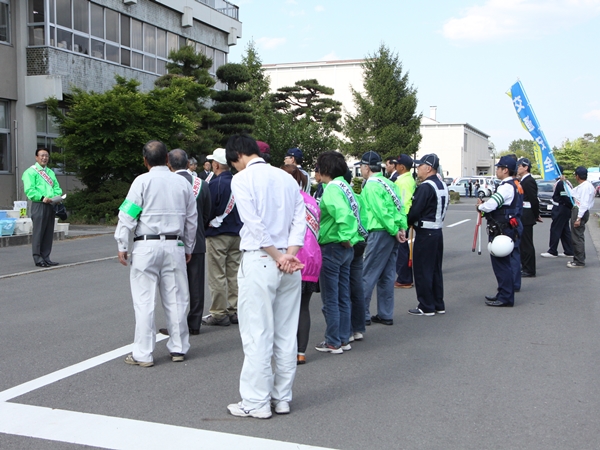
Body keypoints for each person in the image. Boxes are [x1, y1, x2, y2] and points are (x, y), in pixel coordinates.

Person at [225, 134, 305, 419]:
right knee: (285, 333)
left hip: (262, 259)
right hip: (289, 261)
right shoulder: (287, 178)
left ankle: (256, 402)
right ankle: (281, 398)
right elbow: (300, 221)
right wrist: (289, 254)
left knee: (257, 333)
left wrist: (277, 256)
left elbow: (254, 225)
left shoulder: (243, 179)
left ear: (237, 156)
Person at [115, 141, 197, 366]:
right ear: (168, 160)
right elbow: (191, 219)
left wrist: (122, 243)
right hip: (175, 245)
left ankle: (143, 354)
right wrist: (188, 246)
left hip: (145, 246)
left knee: (144, 301)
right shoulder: (182, 183)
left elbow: (128, 214)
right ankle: (178, 348)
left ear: (145, 160)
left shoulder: (141, 181)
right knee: (177, 299)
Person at [315, 150, 363, 353]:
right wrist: (350, 238)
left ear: (325, 169)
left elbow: (343, 215)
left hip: (334, 245)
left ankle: (333, 341)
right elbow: (359, 210)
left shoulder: (332, 189)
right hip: (347, 248)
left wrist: (345, 236)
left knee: (331, 298)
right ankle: (344, 338)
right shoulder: (346, 187)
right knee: (343, 295)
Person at [160, 149, 211, 336]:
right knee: (196, 284)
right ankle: (194, 323)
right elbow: (207, 213)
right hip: (196, 239)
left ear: (169, 164)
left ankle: (177, 324)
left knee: (175, 285)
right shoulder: (202, 185)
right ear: (188, 163)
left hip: (172, 239)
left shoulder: (167, 183)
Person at [281, 164, 322, 365]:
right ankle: (301, 352)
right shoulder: (313, 201)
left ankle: (284, 351)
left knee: (285, 307)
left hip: (292, 257)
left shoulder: (284, 200)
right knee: (303, 307)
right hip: (313, 259)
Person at [361, 151, 407, 326]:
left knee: (368, 273)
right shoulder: (389, 183)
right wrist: (400, 227)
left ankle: (362, 313)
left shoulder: (371, 186)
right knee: (387, 274)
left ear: (366, 167)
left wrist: (394, 229)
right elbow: (399, 207)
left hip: (380, 231)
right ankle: (386, 313)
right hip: (393, 231)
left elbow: (381, 212)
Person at [203, 148, 243, 326]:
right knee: (234, 273)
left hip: (218, 234)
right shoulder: (238, 182)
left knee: (217, 274)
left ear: (216, 164)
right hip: (237, 233)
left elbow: (208, 210)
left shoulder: (215, 184)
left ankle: (219, 312)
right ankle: (235, 309)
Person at [407, 154, 449, 316]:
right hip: (437, 231)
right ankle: (438, 303)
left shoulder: (426, 187)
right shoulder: (442, 185)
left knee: (423, 269)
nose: (417, 169)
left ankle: (426, 305)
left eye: (420, 166)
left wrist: (407, 221)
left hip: (425, 232)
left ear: (428, 168)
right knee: (435, 269)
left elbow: (416, 211)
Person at [476, 156, 521, 307]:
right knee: (503, 263)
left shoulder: (506, 187)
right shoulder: (511, 185)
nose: (496, 170)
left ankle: (506, 297)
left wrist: (481, 207)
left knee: (501, 264)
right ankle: (503, 293)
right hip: (505, 228)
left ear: (505, 170)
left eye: (498, 168)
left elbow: (492, 204)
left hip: (502, 229)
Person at [22, 148, 63, 267]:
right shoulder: (30, 172)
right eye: (42, 155)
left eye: (46, 156)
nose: (44, 158)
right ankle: (38, 258)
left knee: (48, 232)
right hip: (39, 204)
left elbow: (56, 187)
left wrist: (57, 196)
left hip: (51, 204)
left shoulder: (50, 172)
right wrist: (41, 197)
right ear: (36, 157)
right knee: (39, 232)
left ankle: (46, 257)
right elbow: (29, 190)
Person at [394, 154, 416, 289]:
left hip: (402, 219)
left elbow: (403, 203)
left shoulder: (403, 181)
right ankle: (404, 277)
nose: (395, 166)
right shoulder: (408, 179)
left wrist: (401, 222)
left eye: (396, 164)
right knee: (403, 249)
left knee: (401, 250)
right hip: (404, 218)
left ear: (402, 167)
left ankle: (404, 278)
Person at [541, 166, 574, 258]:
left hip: (561, 208)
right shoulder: (565, 182)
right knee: (564, 230)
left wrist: (570, 206)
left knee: (555, 229)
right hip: (564, 208)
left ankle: (552, 250)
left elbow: (565, 197)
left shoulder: (561, 183)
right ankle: (569, 250)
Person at [567, 166, 595, 268]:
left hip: (579, 211)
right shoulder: (586, 185)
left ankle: (579, 261)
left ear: (577, 176)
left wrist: (578, 218)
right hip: (581, 211)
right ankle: (578, 258)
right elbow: (572, 192)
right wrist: (565, 182)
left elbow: (583, 203)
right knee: (577, 236)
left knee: (577, 237)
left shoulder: (585, 187)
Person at [516, 158, 539, 277]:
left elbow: (533, 200)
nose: (518, 168)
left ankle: (529, 269)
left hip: (527, 215)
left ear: (526, 167)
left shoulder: (529, 181)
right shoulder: (523, 180)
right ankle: (524, 266)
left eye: (520, 166)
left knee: (526, 243)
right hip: (523, 214)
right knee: (522, 243)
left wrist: (536, 215)